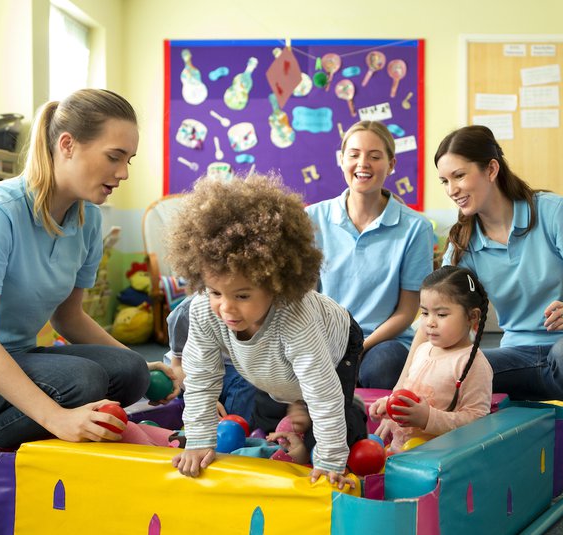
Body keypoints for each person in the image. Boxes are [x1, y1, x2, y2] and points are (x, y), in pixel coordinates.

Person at [0, 88, 177, 527]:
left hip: (14, 358)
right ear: (67, 145)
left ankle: (12, 442)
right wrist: (56, 418)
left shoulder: (88, 220)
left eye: (128, 161)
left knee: (130, 372)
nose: (123, 172)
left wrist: (148, 366)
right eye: (115, 156)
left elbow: (69, 317)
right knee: (79, 382)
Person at [432, 125, 563, 482]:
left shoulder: (550, 211)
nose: (452, 189)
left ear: (491, 169)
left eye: (459, 175)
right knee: (456, 369)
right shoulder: (463, 240)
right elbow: (439, 309)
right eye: (444, 181)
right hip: (519, 356)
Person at [167, 174, 367, 489]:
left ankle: (354, 410)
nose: (227, 308)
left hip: (335, 349)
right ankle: (291, 404)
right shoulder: (205, 309)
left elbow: (322, 393)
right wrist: (199, 439)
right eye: (216, 292)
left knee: (327, 431)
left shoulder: (295, 317)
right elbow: (201, 378)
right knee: (266, 426)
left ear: (275, 285)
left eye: (242, 295)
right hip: (271, 365)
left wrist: (330, 461)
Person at [305, 121, 433, 389]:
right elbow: (306, 297)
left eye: (375, 156)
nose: (363, 163)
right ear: (341, 160)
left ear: (392, 164)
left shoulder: (415, 227)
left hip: (382, 342)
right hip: (325, 339)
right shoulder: (312, 219)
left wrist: (360, 347)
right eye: (354, 155)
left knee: (384, 366)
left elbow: (407, 311)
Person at [369, 266, 493, 452]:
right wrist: (388, 405)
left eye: (441, 314)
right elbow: (410, 392)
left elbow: (477, 422)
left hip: (438, 463)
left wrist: (428, 418)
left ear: (472, 316)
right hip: (399, 454)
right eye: (425, 313)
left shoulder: (472, 363)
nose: (430, 322)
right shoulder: (422, 350)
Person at [166, 293, 258, 422]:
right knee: (246, 381)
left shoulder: (260, 306)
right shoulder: (186, 312)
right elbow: (177, 365)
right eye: (216, 293)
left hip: (234, 366)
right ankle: (230, 429)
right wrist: (206, 399)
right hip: (188, 371)